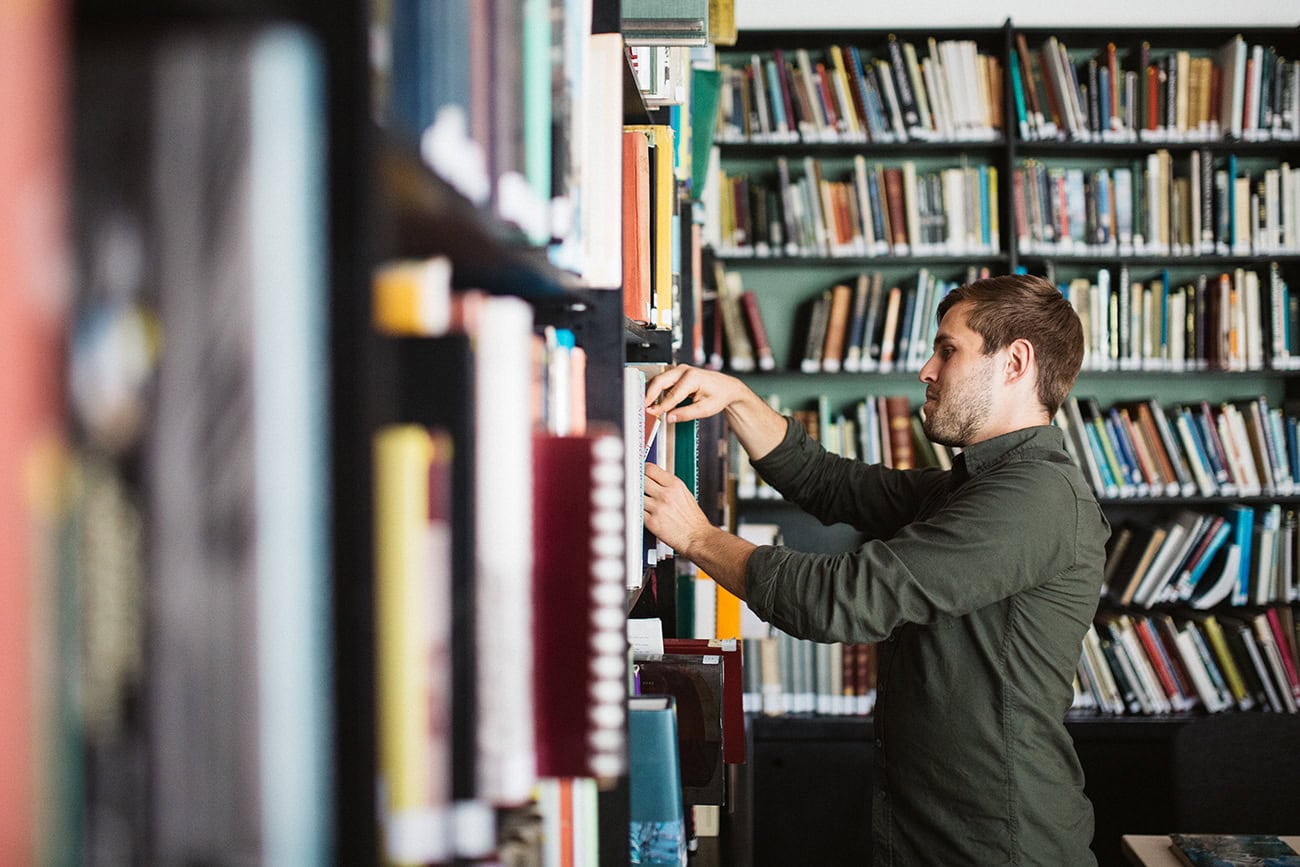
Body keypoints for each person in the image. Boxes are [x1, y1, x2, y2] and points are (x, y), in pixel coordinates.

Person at [642, 273, 1109, 866]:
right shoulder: (974, 486)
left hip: (996, 846)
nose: (927, 370)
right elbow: (834, 484)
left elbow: (844, 599)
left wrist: (698, 538)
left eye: (948, 350)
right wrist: (736, 397)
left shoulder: (1032, 498)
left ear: (1015, 362)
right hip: (937, 833)